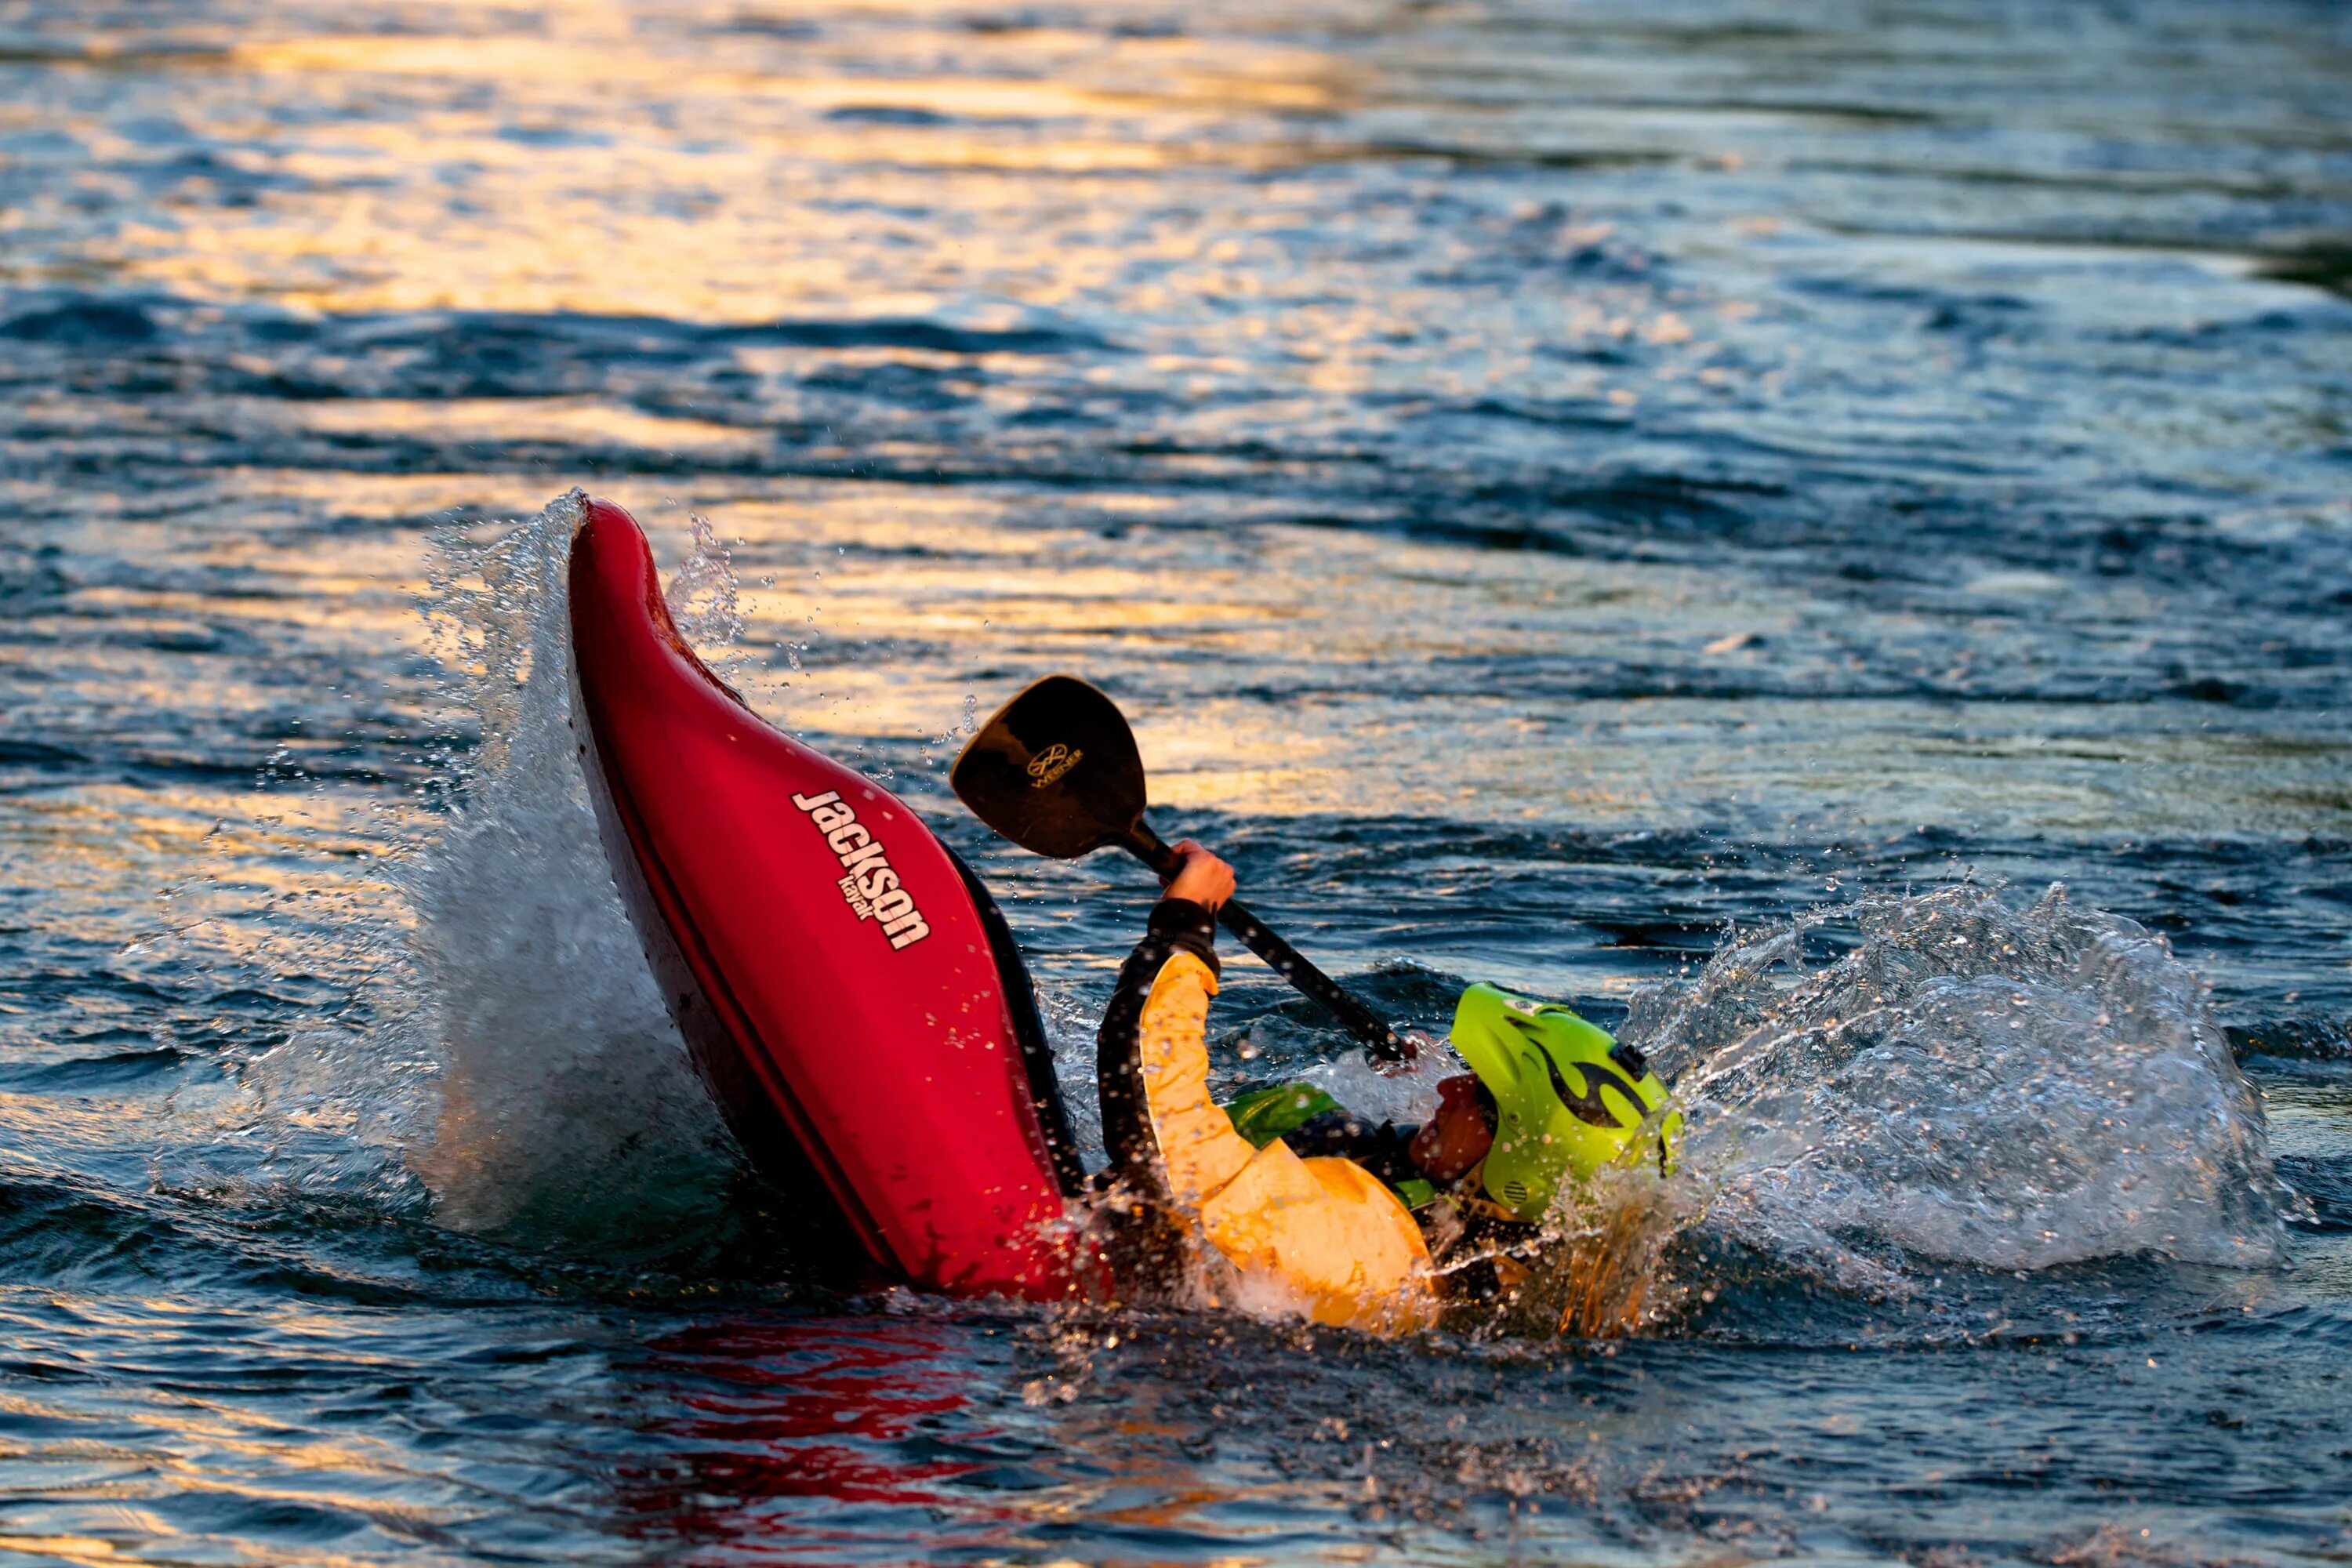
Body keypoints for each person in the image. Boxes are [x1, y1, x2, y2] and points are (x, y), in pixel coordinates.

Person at [1094, 843, 1677, 1335]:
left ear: (1518, 1158)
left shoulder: (1365, 1253)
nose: (1448, 1087)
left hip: (1131, 1330)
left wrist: (1183, 925)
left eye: (1478, 1096)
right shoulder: (1502, 1234)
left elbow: (1154, 1126)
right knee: (1314, 1115)